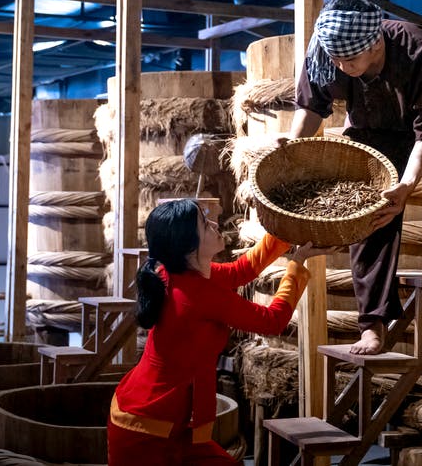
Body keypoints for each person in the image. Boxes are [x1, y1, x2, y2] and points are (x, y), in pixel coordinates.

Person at [288, 0, 422, 356]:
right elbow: (313, 106)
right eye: (337, 60)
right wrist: (290, 147)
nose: (343, 67)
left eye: (351, 60)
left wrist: (406, 186)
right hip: (370, 129)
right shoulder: (325, 50)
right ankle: (372, 325)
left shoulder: (416, 45)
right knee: (369, 208)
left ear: (376, 44)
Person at [107, 199, 320, 464]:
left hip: (161, 418)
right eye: (203, 223)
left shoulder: (181, 273)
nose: (213, 225)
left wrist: (283, 234)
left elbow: (241, 271)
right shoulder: (197, 295)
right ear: (188, 245)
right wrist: (297, 265)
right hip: (146, 430)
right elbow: (272, 320)